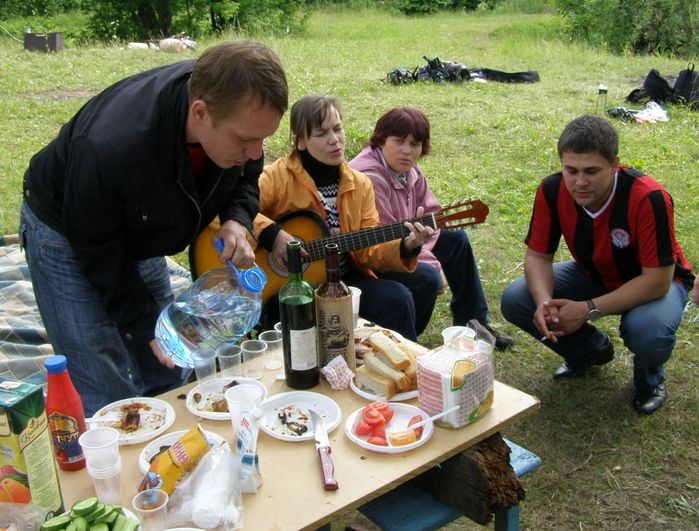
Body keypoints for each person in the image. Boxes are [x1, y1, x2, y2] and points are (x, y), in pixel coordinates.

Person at [19, 41, 288, 415]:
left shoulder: (230, 108)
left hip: (140, 222)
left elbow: (249, 172)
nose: (257, 152)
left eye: (264, 138)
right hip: (67, 230)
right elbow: (99, 251)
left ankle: (173, 459)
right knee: (103, 379)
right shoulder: (110, 146)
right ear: (200, 112)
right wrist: (143, 325)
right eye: (245, 140)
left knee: (171, 361)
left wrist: (236, 218)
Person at [500, 115, 694, 415]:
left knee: (648, 330)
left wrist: (587, 309)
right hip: (595, 274)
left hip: (656, 282)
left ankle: (648, 380)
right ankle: (590, 352)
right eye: (571, 170)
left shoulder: (648, 197)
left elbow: (657, 280)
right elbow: (538, 257)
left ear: (614, 164)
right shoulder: (552, 190)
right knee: (518, 298)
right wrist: (544, 303)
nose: (580, 182)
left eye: (591, 171)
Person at [254, 95, 435, 341]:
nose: (334, 139)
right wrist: (271, 234)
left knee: (397, 298)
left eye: (338, 128)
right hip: (290, 286)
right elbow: (232, 213)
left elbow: (368, 251)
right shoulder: (276, 178)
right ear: (300, 142)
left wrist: (407, 246)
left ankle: (397, 368)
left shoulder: (359, 183)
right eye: (321, 133)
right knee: (292, 318)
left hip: (343, 279)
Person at [349, 107, 514, 350]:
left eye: (414, 144)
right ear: (381, 140)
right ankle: (405, 342)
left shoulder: (410, 170)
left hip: (407, 242)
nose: (407, 150)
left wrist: (430, 251)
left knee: (456, 238)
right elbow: (383, 239)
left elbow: (431, 215)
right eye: (399, 141)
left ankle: (475, 323)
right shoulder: (369, 176)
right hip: (374, 255)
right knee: (428, 276)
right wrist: (435, 266)